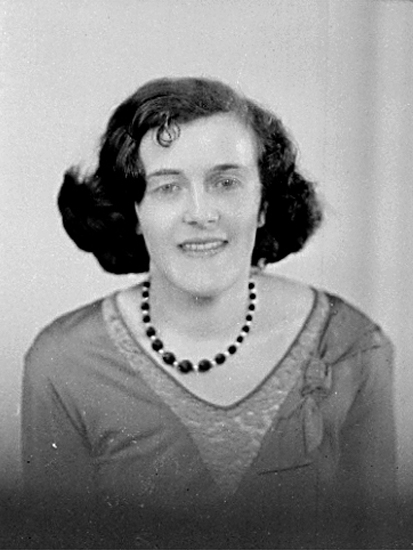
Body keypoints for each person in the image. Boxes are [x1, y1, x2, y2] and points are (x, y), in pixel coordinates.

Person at [21, 77, 398, 549]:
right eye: (167, 187)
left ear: (263, 204)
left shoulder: (352, 346)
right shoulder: (65, 364)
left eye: (226, 182)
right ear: (134, 212)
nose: (200, 213)